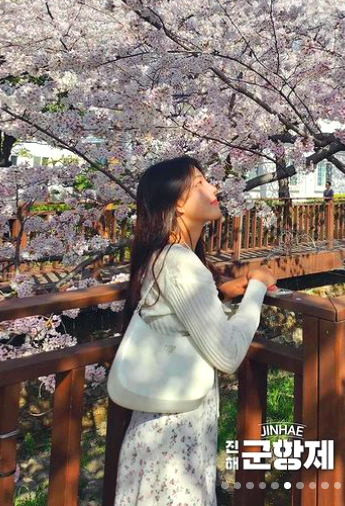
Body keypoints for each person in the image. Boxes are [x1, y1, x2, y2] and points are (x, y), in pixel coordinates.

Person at [114, 156, 277, 506]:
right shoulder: (181, 264)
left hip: (162, 433)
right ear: (177, 202)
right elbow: (227, 355)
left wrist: (220, 292)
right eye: (200, 183)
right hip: (173, 446)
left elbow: (181, 314)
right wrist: (257, 289)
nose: (213, 188)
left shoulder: (163, 256)